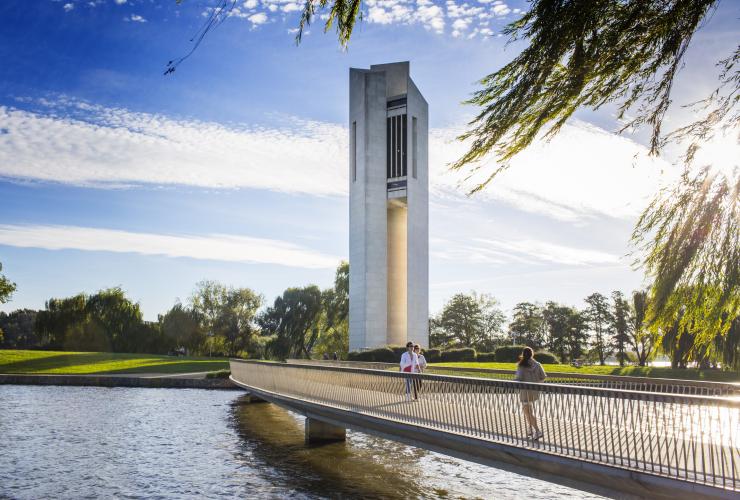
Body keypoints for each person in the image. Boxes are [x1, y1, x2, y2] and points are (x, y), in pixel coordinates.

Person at [514, 346, 546, 440]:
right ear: (532, 354)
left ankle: (537, 431)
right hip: (534, 391)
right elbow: (543, 377)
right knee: (528, 411)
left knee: (527, 412)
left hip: (525, 392)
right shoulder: (538, 364)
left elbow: (518, 379)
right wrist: (537, 385)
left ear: (523, 354)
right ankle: (530, 429)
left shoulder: (521, 365)